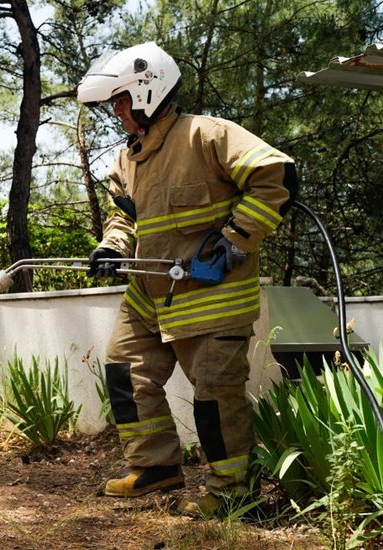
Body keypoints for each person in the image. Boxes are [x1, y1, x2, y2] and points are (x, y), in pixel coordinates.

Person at [75, 42, 298, 516]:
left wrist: (235, 238)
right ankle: (155, 467)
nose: (116, 112)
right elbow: (124, 220)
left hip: (212, 297)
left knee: (216, 398)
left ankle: (234, 492)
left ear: (146, 92)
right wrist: (110, 248)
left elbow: (275, 175)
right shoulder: (126, 162)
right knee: (124, 371)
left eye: (119, 101)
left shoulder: (208, 135)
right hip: (149, 297)